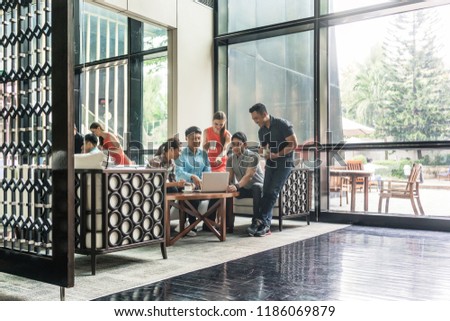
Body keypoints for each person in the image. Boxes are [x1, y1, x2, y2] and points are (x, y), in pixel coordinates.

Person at [249, 103, 298, 237]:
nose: (255, 121)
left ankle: (259, 222)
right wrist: (262, 151)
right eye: (253, 119)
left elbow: (293, 144)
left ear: (265, 114)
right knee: (266, 192)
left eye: (256, 118)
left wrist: (278, 154)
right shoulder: (261, 131)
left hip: (284, 163)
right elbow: (265, 148)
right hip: (271, 163)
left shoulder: (282, 124)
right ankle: (264, 224)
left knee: (272, 191)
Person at [226, 131, 264, 235]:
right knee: (228, 191)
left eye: (238, 144)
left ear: (245, 144)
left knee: (256, 187)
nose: (235, 147)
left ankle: (256, 222)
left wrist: (236, 186)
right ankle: (227, 224)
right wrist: (229, 186)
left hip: (260, 189)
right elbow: (229, 177)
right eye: (233, 144)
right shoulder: (230, 159)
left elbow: (249, 176)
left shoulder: (254, 156)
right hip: (246, 189)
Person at [175, 126, 211, 234]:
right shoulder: (181, 155)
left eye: (199, 138)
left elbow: (208, 171)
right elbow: (179, 173)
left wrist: (204, 180)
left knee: (219, 197)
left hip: (201, 188)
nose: (197, 141)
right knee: (192, 197)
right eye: (194, 138)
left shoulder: (204, 155)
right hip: (186, 188)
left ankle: (209, 225)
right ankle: (192, 225)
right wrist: (192, 176)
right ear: (186, 139)